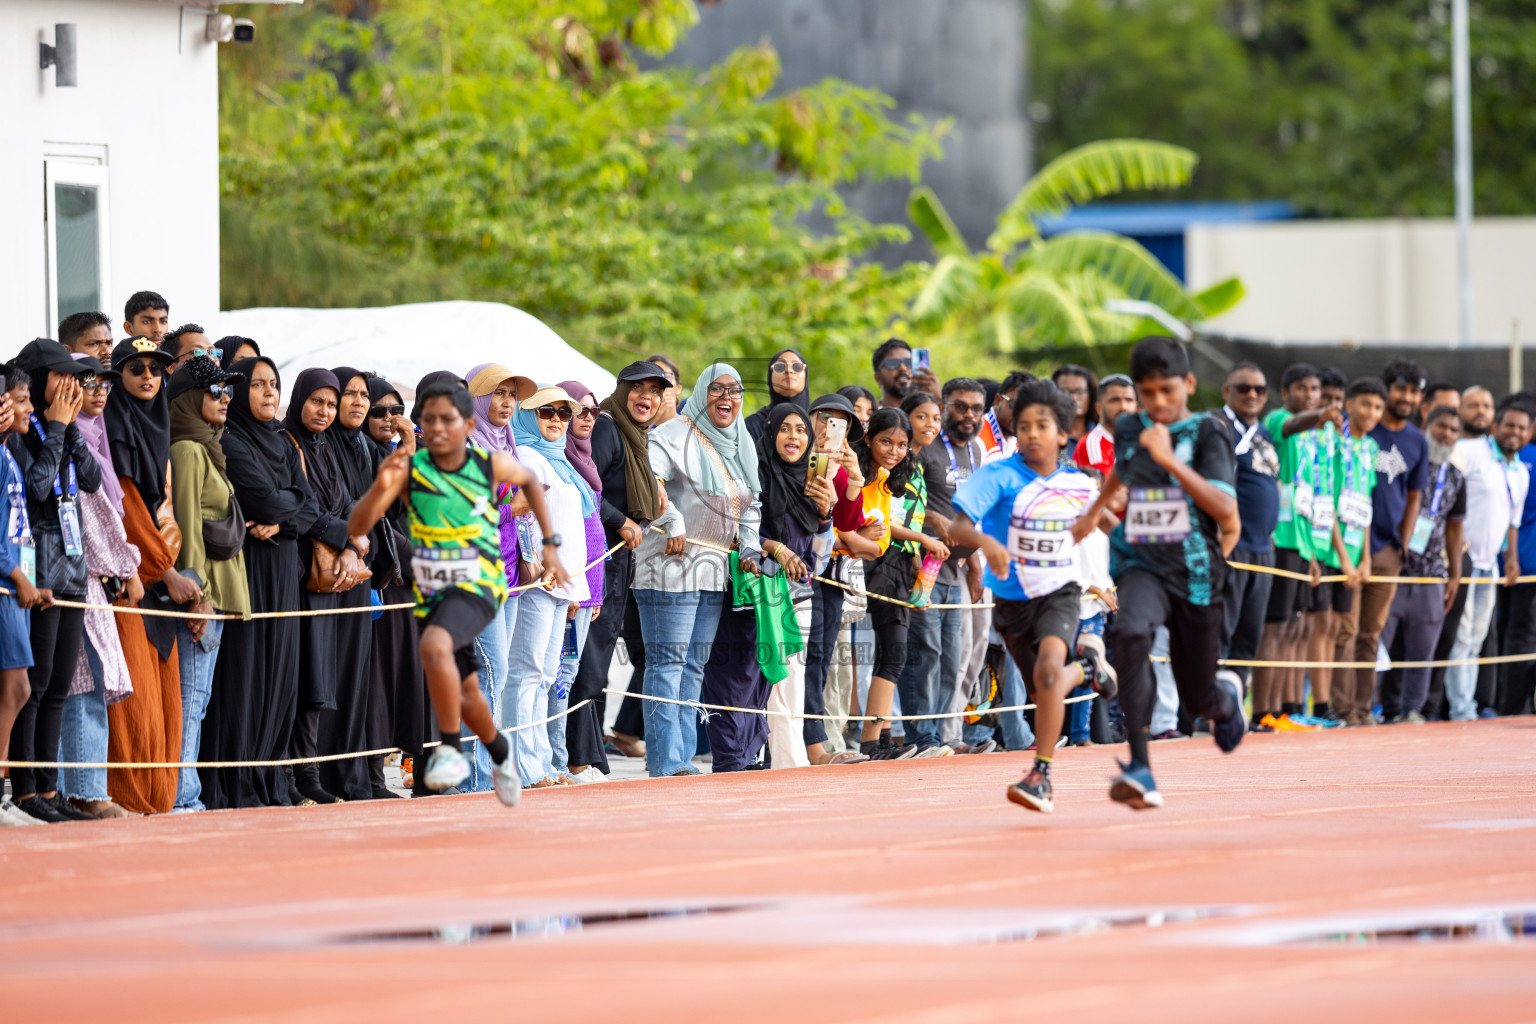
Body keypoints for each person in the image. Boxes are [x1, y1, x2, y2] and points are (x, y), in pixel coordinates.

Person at [347, 380, 565, 803]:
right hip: (435, 590)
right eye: (429, 420)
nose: (438, 428)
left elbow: (531, 485)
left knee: (434, 646)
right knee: (466, 690)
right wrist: (380, 486)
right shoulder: (408, 468)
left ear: (467, 424)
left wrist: (551, 547)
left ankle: (448, 750)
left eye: (448, 420)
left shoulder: (486, 465)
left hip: (481, 583)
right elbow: (358, 526)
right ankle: (498, 750)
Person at [1070, 336, 1243, 811]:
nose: (1158, 404)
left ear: (1188, 383)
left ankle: (1223, 698)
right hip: (1140, 561)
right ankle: (1141, 766)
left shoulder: (1209, 432)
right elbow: (1122, 470)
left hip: (1195, 571)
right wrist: (1095, 511)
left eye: (1168, 391)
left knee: (1196, 694)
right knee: (1128, 634)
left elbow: (1224, 506)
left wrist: (1168, 459)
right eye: (1148, 394)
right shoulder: (1130, 428)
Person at [951, 379, 1116, 812]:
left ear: (1063, 434)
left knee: (1046, 674)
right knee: (1043, 687)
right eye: (1023, 427)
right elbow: (957, 527)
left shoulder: (1079, 485)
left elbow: (1105, 524)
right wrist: (989, 544)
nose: (1031, 434)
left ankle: (1041, 774)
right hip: (1010, 602)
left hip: (1061, 594)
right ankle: (1087, 666)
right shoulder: (999, 475)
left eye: (1042, 426)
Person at [199, 356, 318, 808]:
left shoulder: (283, 443)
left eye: (274, 384)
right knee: (248, 675)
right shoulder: (232, 439)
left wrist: (283, 520)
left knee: (281, 678)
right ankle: (237, 783)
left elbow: (304, 507)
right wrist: (286, 510)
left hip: (283, 566)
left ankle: (270, 780)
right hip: (251, 569)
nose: (270, 393)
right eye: (258, 385)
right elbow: (265, 500)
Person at [636, 362, 762, 777]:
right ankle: (665, 763)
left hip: (713, 569)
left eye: (736, 390)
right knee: (668, 664)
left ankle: (683, 760)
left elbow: (749, 502)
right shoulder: (671, 434)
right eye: (718, 389)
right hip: (669, 565)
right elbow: (648, 480)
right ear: (702, 392)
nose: (727, 398)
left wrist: (750, 545)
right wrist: (671, 517)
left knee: (693, 667)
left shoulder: (740, 441)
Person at [703, 402, 835, 771]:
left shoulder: (812, 486)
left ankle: (786, 761)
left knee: (791, 681)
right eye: (785, 429)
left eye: (801, 431)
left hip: (797, 596)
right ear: (770, 432)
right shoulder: (752, 473)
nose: (794, 437)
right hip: (756, 589)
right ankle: (766, 760)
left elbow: (816, 561)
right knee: (753, 678)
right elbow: (737, 528)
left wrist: (825, 516)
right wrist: (774, 546)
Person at [5, 339, 103, 823]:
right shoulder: (21, 431)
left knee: (59, 686)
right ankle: (25, 791)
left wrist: (72, 430)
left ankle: (48, 787)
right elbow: (38, 488)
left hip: (72, 569)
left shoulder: (64, 427)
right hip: (37, 573)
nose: (73, 385)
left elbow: (90, 480)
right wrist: (59, 429)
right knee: (35, 686)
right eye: (63, 376)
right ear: (40, 377)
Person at [103, 337, 199, 814]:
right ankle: (129, 799)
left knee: (166, 708)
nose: (147, 376)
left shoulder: (159, 434)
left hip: (164, 587)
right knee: (134, 705)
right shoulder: (114, 432)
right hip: (130, 587)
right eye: (135, 367)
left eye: (155, 369)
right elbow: (126, 516)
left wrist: (182, 577)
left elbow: (169, 513)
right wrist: (166, 571)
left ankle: (157, 803)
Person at [566, 361, 668, 779]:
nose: (647, 397)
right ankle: (578, 757)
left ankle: (590, 754)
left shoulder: (637, 438)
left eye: (656, 391)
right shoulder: (609, 427)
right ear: (622, 389)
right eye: (639, 388)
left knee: (600, 656)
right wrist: (621, 520)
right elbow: (582, 484)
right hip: (596, 555)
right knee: (588, 659)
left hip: (618, 557)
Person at [283, 368, 372, 805]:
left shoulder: (327, 448)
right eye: (317, 401)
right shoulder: (288, 442)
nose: (325, 411)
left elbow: (346, 504)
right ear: (299, 399)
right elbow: (301, 508)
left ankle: (311, 771)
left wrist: (352, 549)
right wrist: (346, 538)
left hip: (334, 574)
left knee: (322, 677)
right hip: (299, 574)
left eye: (330, 404)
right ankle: (298, 773)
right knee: (303, 676)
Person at [166, 357, 251, 812]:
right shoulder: (187, 449)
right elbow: (186, 531)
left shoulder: (208, 446)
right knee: (190, 701)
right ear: (187, 399)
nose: (224, 399)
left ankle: (185, 794)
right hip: (202, 598)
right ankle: (183, 798)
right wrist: (198, 597)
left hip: (215, 595)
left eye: (227, 391)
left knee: (197, 700)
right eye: (214, 391)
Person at [59, 353, 139, 820]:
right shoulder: (68, 438)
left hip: (91, 577)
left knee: (81, 685)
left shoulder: (94, 436)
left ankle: (75, 790)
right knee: (82, 687)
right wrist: (126, 566)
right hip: (76, 577)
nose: (100, 389)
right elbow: (90, 514)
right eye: (86, 381)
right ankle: (84, 792)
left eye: (105, 381)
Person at [506, 384, 594, 788]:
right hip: (541, 579)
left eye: (563, 413)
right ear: (529, 417)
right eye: (546, 413)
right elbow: (523, 516)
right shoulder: (528, 456)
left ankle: (539, 761)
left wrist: (575, 587)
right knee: (526, 672)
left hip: (563, 583)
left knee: (544, 674)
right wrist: (537, 564)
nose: (557, 420)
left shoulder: (559, 461)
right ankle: (522, 766)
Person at [1334, 359, 1430, 726]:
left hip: (1388, 550)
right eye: (1401, 389)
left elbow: (1415, 497)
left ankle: (1362, 709)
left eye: (1414, 391)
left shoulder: (1417, 440)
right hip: (1349, 544)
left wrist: (1402, 545)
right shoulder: (1358, 434)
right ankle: (1339, 709)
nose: (1406, 397)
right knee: (1346, 629)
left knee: (1371, 634)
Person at [462, 363, 534, 792]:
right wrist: (516, 508)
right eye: (498, 393)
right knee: (492, 672)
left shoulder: (507, 445)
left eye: (512, 394)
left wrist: (529, 555)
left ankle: (482, 773)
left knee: (496, 675)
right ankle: (473, 778)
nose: (507, 402)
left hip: (507, 573)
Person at [1444, 393, 1533, 720]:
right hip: (1462, 560)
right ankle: (1460, 709)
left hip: (1490, 565)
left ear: (1528, 432)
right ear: (1496, 425)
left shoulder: (1520, 471)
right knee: (1462, 636)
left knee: (1477, 638)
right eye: (1508, 424)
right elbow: (1445, 494)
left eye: (1521, 428)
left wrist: (1511, 558)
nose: (1514, 432)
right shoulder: (1470, 451)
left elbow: (1513, 519)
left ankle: (1465, 704)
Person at [359, 374, 428, 794]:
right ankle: (368, 774)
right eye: (379, 411)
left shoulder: (403, 452)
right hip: (385, 575)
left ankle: (418, 770)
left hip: (412, 582)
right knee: (378, 683)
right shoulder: (367, 453)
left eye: (396, 411)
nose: (389, 418)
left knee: (410, 680)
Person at [1253, 363, 1331, 731]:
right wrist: (1320, 414)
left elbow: (1305, 498)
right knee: (1274, 627)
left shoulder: (1311, 438)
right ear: (1285, 393)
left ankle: (1285, 708)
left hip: (1300, 542)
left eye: (1315, 389)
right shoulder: (1278, 420)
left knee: (1294, 629)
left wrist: (1313, 554)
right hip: (1278, 540)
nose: (1310, 395)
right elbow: (1290, 425)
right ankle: (1261, 712)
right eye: (1301, 388)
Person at [800, 393, 877, 765]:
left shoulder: (846, 466)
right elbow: (820, 516)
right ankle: (807, 743)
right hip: (797, 568)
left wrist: (854, 481)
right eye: (824, 418)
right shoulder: (795, 451)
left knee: (821, 656)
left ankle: (817, 741)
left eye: (841, 422)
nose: (830, 427)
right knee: (797, 657)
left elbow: (847, 523)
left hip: (831, 573)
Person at [853, 406, 933, 758]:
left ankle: (881, 739)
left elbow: (887, 524)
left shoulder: (889, 479)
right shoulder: (862, 476)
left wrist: (917, 557)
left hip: (896, 563)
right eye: (886, 441)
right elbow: (868, 524)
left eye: (901, 445)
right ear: (868, 438)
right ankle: (871, 741)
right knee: (894, 652)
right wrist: (927, 540)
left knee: (890, 652)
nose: (894, 450)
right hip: (876, 563)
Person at [1378, 405, 1464, 723]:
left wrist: (1455, 574)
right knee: (1379, 643)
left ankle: (1411, 710)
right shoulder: (1409, 460)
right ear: (1427, 424)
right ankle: (1377, 708)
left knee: (1423, 649)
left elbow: (1455, 528)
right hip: (1395, 567)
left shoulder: (1455, 476)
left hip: (1431, 576)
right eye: (1441, 426)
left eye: (1453, 430)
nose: (1446, 434)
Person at [896, 388, 961, 756]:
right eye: (922, 417)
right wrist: (921, 541)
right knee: (921, 648)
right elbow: (888, 520)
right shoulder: (897, 462)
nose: (931, 425)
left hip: (922, 565)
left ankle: (932, 734)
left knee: (936, 651)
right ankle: (921, 735)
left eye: (937, 418)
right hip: (895, 563)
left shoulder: (917, 465)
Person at [1216, 363, 1280, 714]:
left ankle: (1232, 708)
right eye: (1244, 388)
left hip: (1262, 549)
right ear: (1227, 391)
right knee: (1221, 630)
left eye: (1259, 390)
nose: (1252, 395)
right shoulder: (1219, 427)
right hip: (1232, 546)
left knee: (1249, 634)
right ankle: (1203, 707)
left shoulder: (1262, 433)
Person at [1323, 380, 1386, 726]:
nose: (1372, 414)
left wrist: (1363, 557)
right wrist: (1344, 558)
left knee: (1355, 631)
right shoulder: (1334, 443)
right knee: (1337, 631)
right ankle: (1338, 707)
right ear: (1349, 404)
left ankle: (1354, 708)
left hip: (1355, 552)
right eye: (1365, 405)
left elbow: (1364, 505)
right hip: (1331, 553)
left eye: (1377, 407)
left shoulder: (1372, 447)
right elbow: (1327, 498)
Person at [554, 379, 607, 782]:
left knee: (573, 676)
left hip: (587, 589)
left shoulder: (582, 460)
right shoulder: (555, 458)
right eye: (576, 410)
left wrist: (595, 592)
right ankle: (558, 762)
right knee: (556, 677)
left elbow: (592, 534)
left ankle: (563, 761)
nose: (585, 418)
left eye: (592, 411)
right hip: (566, 587)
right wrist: (573, 588)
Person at [0, 369, 44, 826]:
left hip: (18, 587)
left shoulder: (10, 455)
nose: (30, 410)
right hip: (6, 587)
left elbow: (16, 530)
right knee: (18, 688)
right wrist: (17, 576)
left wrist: (31, 581)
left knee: (15, 689)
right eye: (21, 400)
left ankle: (5, 796)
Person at [1073, 373, 1136, 474]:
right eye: (1115, 400)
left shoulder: (1142, 439)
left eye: (1129, 400)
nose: (1124, 407)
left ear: (1136, 406)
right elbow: (1108, 489)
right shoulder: (1093, 444)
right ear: (1099, 408)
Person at [745, 348, 810, 442]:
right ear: (770, 376)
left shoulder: (818, 422)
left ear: (806, 375)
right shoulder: (753, 424)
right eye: (780, 367)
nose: (789, 370)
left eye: (797, 367)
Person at [1052, 364, 1099, 446]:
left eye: (1080, 391)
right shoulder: (1046, 436)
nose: (1073, 397)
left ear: (1091, 395)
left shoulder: (1105, 434)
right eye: (1064, 391)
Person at [871, 338, 917, 410]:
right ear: (878, 377)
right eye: (893, 363)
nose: (903, 368)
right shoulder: (867, 417)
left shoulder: (930, 415)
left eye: (908, 362)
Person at [648, 353, 683, 428]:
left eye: (666, 377)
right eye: (653, 378)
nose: (660, 383)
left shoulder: (690, 428)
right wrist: (653, 419)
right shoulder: (633, 427)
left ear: (678, 388)